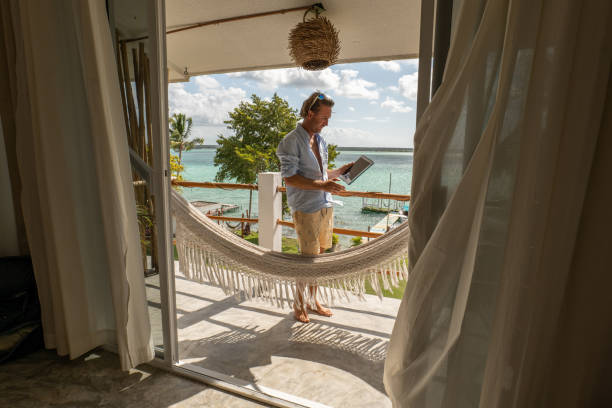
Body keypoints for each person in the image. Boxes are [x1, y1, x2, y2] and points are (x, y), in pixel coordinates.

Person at [276, 92, 354, 323]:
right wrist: (324, 184)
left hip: (324, 204)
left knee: (317, 258)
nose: (327, 123)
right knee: (306, 258)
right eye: (324, 118)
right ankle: (299, 304)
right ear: (310, 114)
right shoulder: (291, 141)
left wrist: (338, 172)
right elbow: (289, 178)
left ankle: (313, 300)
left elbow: (320, 174)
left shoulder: (320, 140)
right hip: (306, 208)